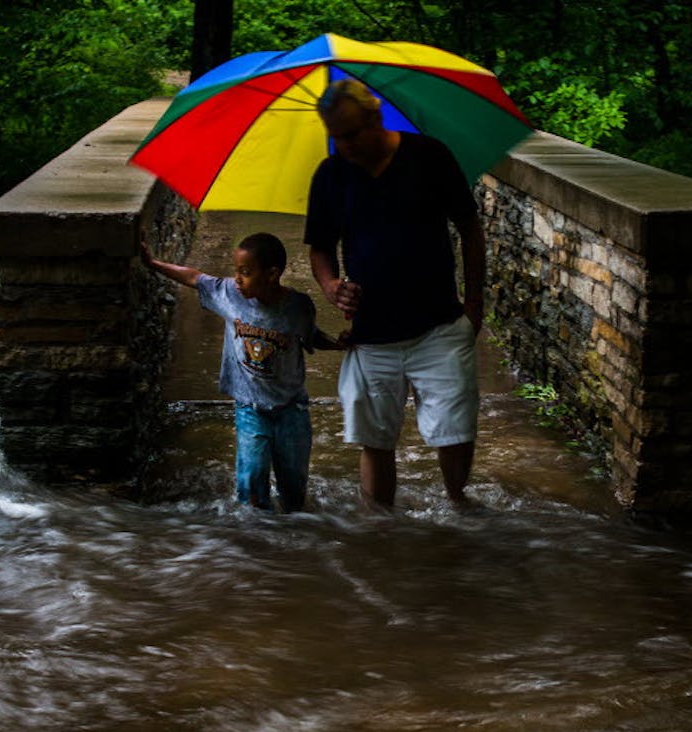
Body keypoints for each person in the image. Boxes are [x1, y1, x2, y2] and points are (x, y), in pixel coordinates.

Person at [304, 78, 485, 509]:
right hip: (371, 334)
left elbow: (470, 228)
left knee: (455, 431)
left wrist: (474, 305)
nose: (342, 145)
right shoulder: (331, 175)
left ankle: (459, 507)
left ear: (374, 117)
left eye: (350, 134)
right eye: (334, 136)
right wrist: (331, 286)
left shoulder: (429, 156)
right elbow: (320, 248)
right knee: (375, 438)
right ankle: (380, 532)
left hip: (438, 323)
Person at [141, 232, 339, 512]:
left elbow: (310, 336)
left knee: (293, 489)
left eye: (245, 272)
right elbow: (194, 278)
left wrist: (339, 345)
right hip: (250, 407)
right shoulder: (229, 295)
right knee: (251, 483)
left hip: (291, 409)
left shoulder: (298, 307)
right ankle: (255, 542)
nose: (237, 278)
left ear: (272, 274)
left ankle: (292, 542)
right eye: (236, 271)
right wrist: (153, 264)